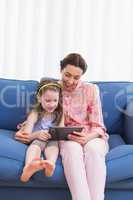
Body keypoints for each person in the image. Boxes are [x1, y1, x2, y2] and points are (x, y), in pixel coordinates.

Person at [16, 53, 109, 200]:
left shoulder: (91, 89)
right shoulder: (52, 89)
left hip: (92, 136)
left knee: (93, 149)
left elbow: (98, 125)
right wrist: (25, 130)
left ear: (82, 76)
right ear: (60, 70)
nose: (71, 81)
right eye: (67, 75)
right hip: (67, 138)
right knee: (72, 150)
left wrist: (88, 137)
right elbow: (39, 114)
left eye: (76, 77)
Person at [15, 78, 64, 182]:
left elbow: (61, 130)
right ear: (39, 98)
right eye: (47, 100)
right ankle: (28, 167)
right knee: (35, 146)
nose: (52, 104)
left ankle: (50, 163)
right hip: (37, 139)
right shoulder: (35, 113)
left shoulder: (60, 113)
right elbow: (26, 135)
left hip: (52, 139)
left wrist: (60, 134)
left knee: (54, 146)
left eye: (55, 100)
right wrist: (36, 134)